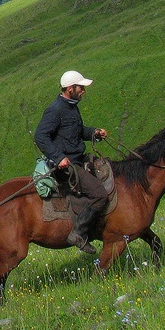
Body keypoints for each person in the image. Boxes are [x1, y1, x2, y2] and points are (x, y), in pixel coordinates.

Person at [34, 70, 109, 254]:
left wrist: (94, 133)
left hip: (76, 159)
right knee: (100, 195)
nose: (84, 91)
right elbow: (40, 136)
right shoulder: (55, 109)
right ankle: (78, 233)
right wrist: (59, 158)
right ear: (70, 88)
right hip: (67, 166)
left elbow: (77, 131)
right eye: (81, 87)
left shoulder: (71, 106)